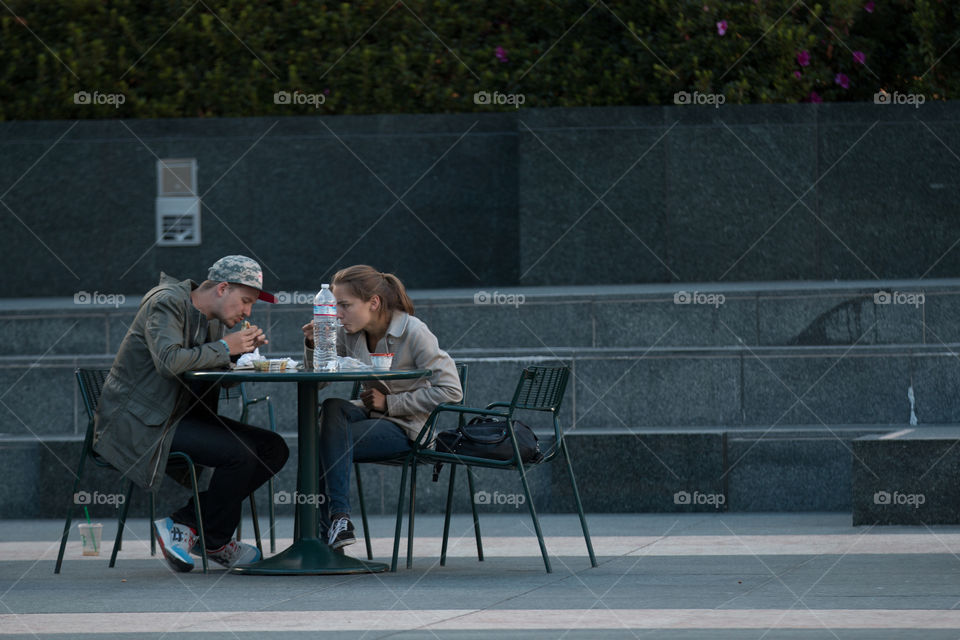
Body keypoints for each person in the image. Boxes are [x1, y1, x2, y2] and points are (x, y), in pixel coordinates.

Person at [93, 255, 289, 572]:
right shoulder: (167, 302)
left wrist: (240, 357)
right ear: (223, 288)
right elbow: (170, 362)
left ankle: (195, 530)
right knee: (241, 453)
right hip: (141, 423)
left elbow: (201, 367)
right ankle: (205, 534)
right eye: (245, 301)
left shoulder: (210, 318)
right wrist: (226, 347)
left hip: (179, 415)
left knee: (273, 448)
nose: (247, 313)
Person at [301, 265, 462, 549]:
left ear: (373, 303)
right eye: (335, 305)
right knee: (332, 407)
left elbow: (451, 390)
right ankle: (337, 524)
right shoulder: (350, 332)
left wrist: (390, 402)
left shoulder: (414, 331)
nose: (337, 313)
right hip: (369, 418)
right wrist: (314, 345)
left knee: (322, 440)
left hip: (409, 428)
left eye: (345, 305)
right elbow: (320, 381)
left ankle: (325, 532)